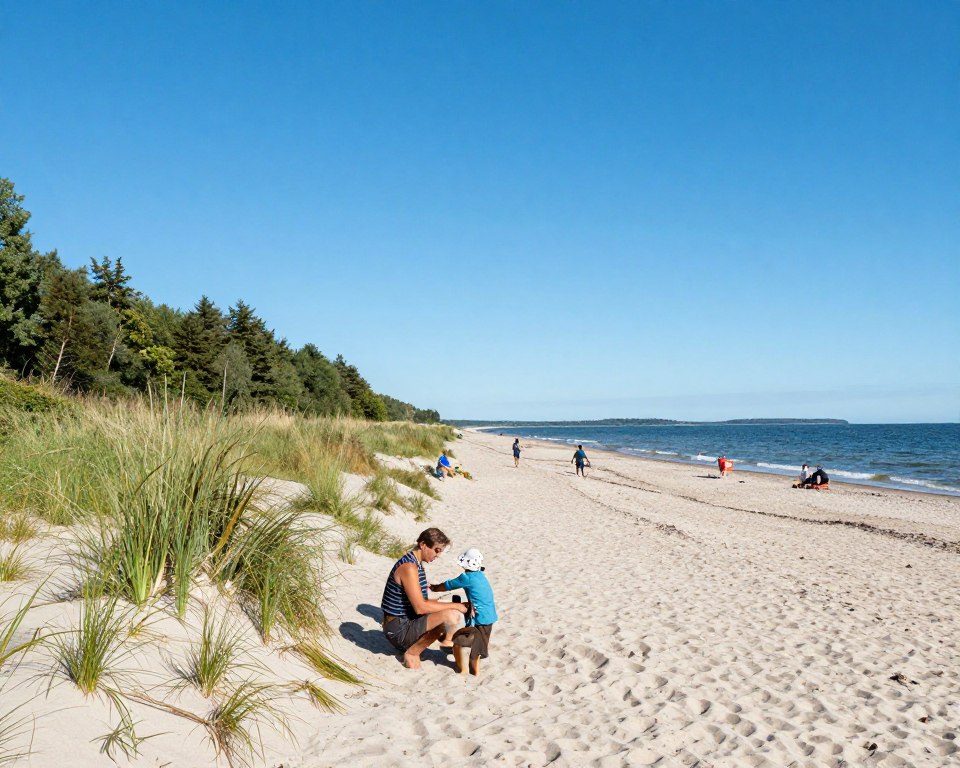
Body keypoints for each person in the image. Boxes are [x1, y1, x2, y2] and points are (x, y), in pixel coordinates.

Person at [380, 528, 469, 669]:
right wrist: (454, 607)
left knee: (451, 612)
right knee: (449, 616)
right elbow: (421, 607)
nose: (438, 555)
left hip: (407, 621)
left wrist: (455, 604)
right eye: (437, 550)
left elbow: (424, 602)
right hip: (397, 629)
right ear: (423, 545)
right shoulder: (409, 567)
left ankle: (446, 641)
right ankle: (412, 653)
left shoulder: (416, 564)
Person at [429, 547, 498, 676]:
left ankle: (474, 662)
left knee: (475, 638)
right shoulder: (479, 575)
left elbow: (449, 585)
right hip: (489, 612)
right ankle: (480, 652)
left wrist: (434, 588)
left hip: (481, 615)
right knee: (483, 636)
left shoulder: (466, 577)